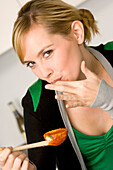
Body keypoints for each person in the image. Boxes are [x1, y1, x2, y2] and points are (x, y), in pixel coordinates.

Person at [0, 0, 113, 169]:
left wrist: (110, 100)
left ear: (76, 33)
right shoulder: (37, 102)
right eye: (31, 63)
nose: (44, 73)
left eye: (47, 53)